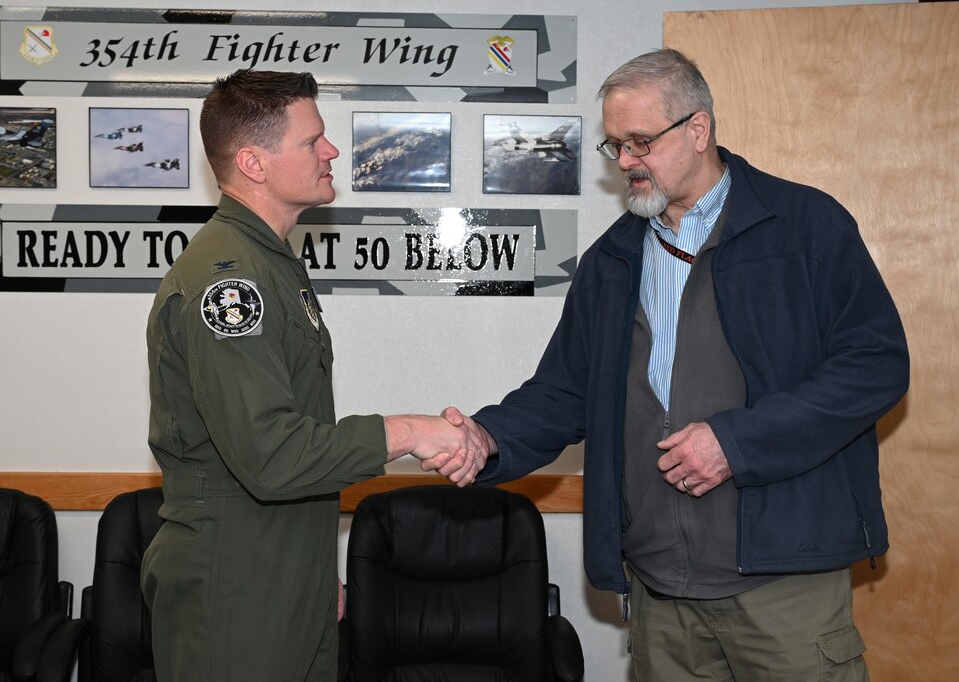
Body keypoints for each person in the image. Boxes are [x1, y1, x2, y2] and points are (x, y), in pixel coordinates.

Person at [437, 48, 909, 680]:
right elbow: (565, 392)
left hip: (784, 586)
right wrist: (488, 438)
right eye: (615, 146)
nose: (627, 162)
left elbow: (875, 363)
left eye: (640, 142)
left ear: (698, 129)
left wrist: (735, 443)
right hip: (659, 592)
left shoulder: (806, 226)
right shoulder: (612, 261)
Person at [141, 69, 472, 681]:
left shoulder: (273, 264)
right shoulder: (228, 280)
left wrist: (318, 573)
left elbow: (294, 440)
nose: (332, 151)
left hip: (289, 578)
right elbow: (270, 454)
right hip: (236, 588)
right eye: (312, 140)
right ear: (254, 163)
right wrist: (409, 432)